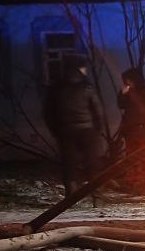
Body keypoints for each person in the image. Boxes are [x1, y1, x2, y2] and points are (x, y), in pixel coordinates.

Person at [43, 55, 106, 197]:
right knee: (92, 161)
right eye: (84, 67)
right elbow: (98, 110)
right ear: (79, 68)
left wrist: (56, 131)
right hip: (87, 130)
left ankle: (71, 193)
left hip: (65, 131)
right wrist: (98, 129)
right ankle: (95, 191)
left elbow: (48, 113)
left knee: (69, 163)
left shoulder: (55, 88)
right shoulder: (86, 86)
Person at [117, 67, 145, 192]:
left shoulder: (133, 93)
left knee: (135, 158)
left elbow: (122, 106)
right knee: (143, 158)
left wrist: (123, 94)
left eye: (127, 80)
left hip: (135, 130)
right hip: (143, 130)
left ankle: (137, 184)